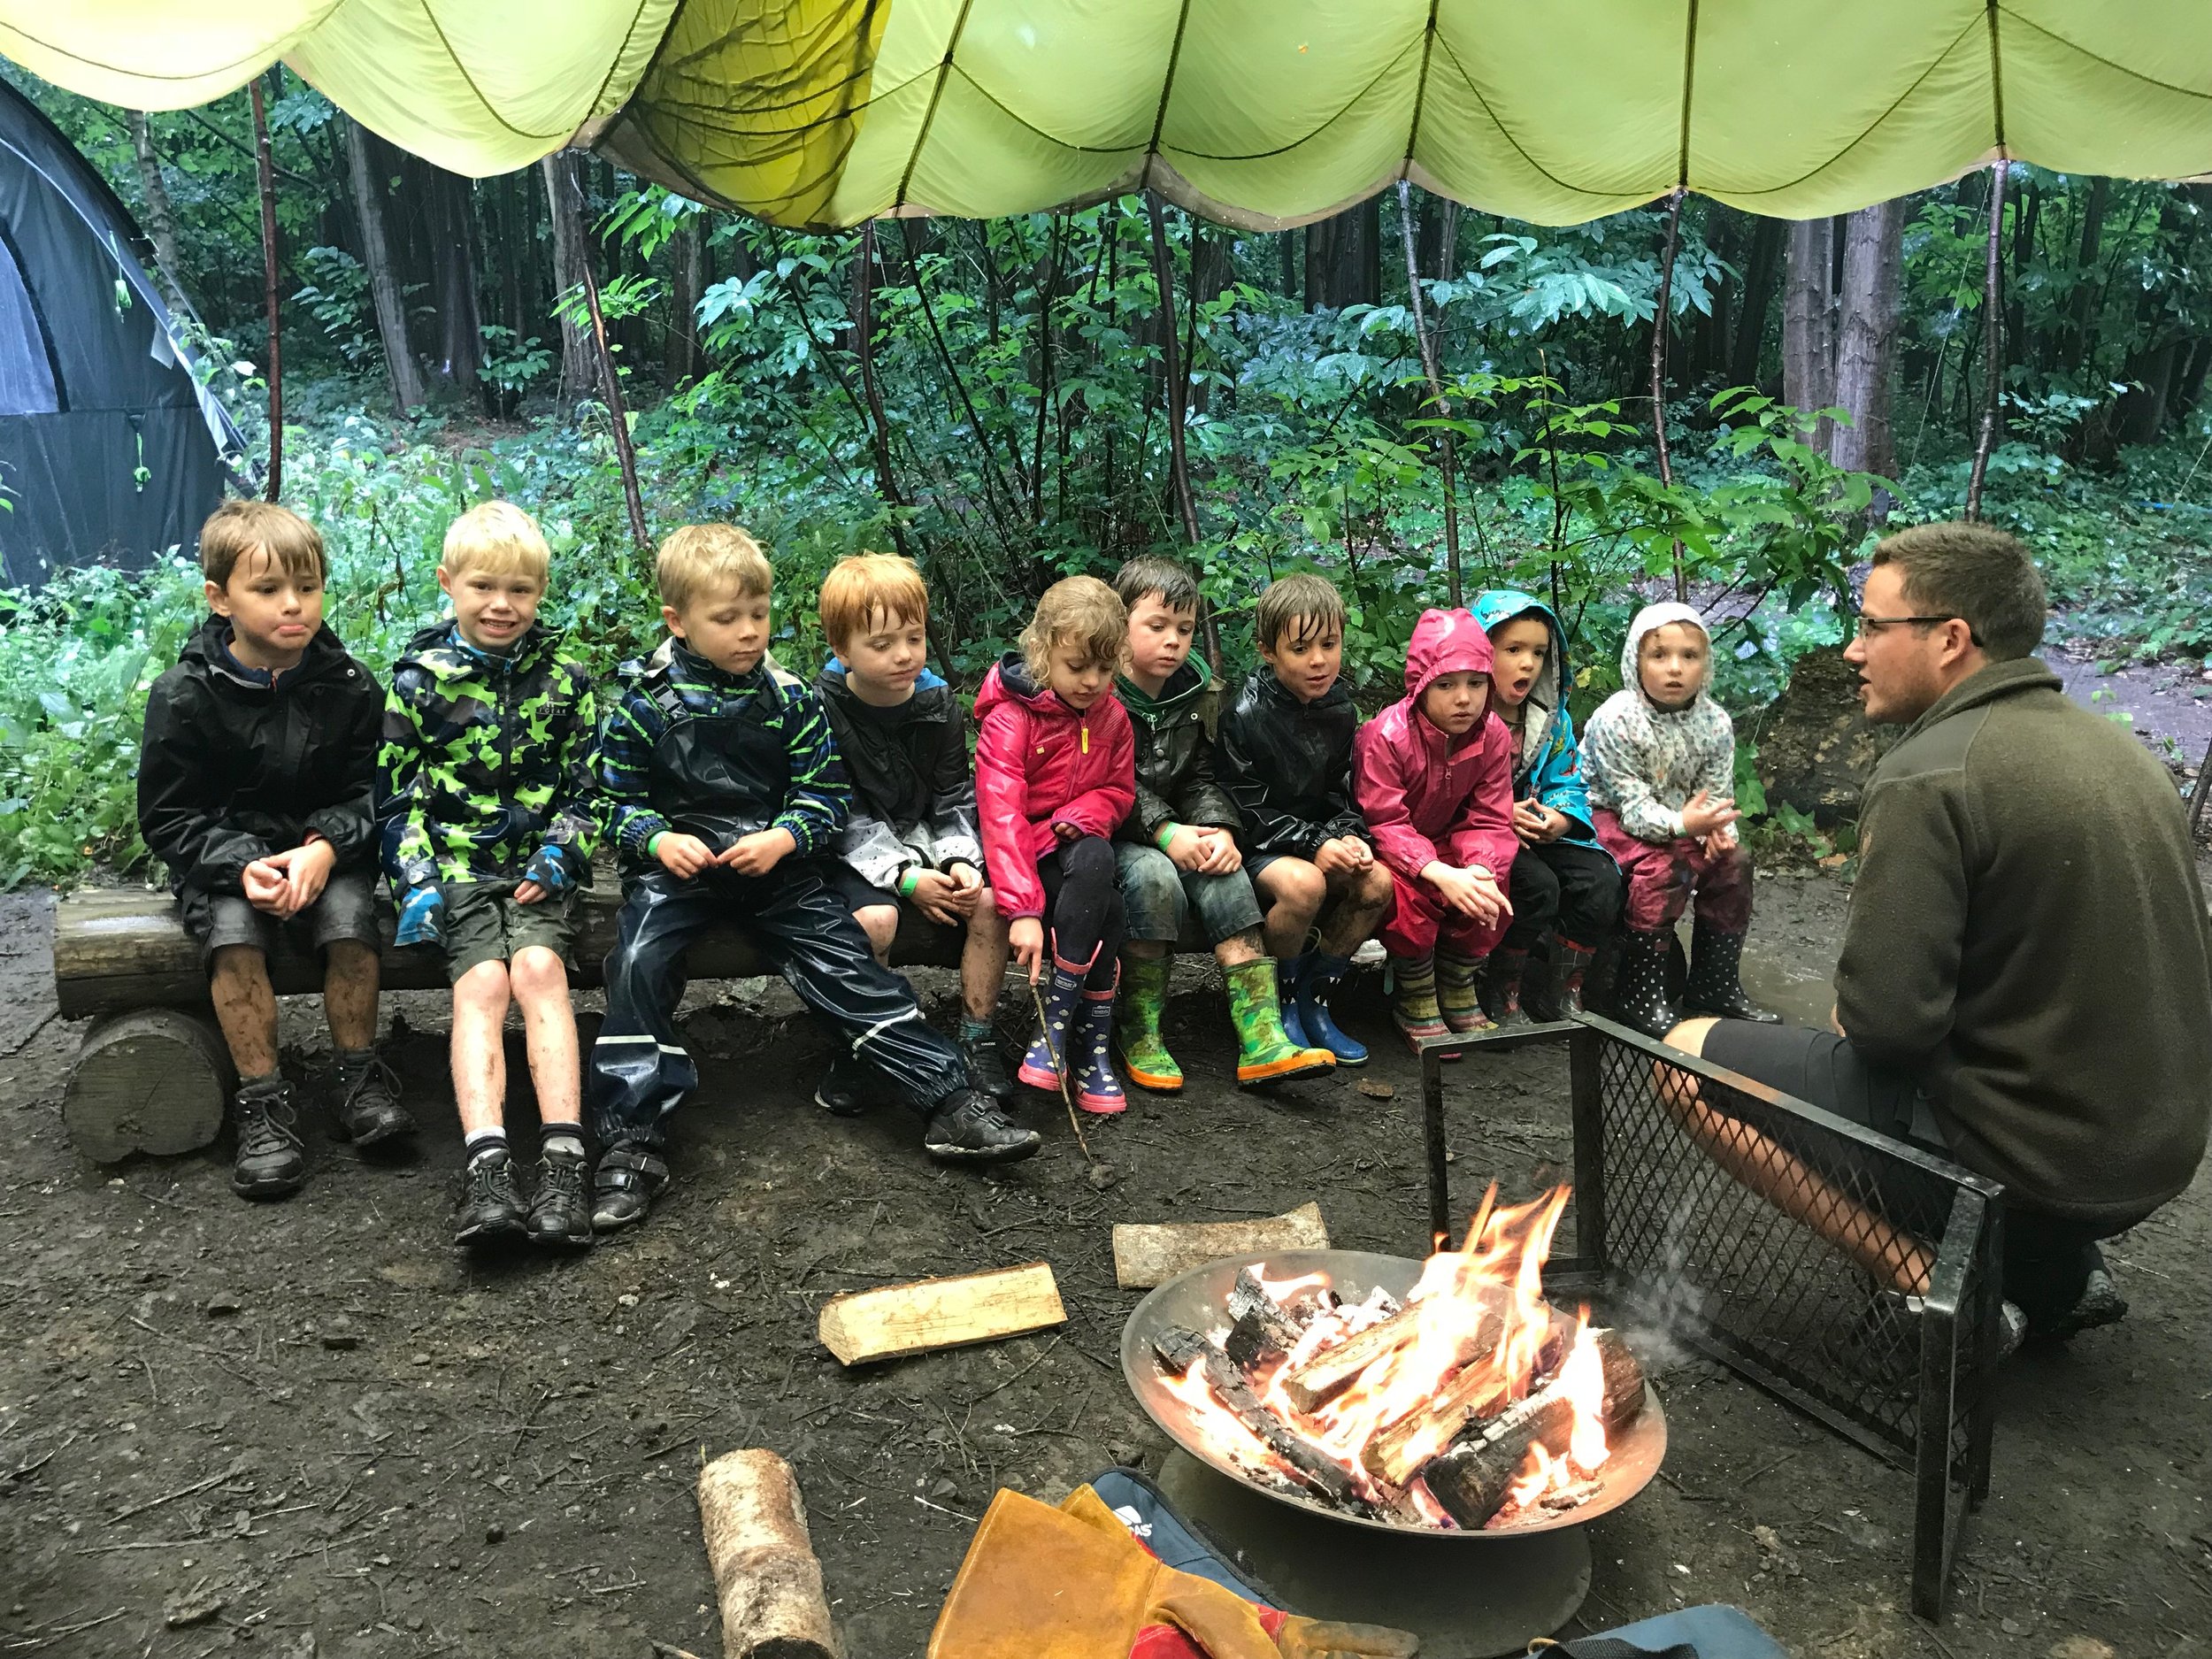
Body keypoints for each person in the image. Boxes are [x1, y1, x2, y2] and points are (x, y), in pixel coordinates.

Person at [1666, 523, 2212, 1339]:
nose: (1853, 651)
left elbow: (1888, 1027)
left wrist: (1862, 1016)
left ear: (1951, 639)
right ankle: (2059, 1268)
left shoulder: (1931, 772)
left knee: (1683, 1055)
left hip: (2038, 1158)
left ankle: (1940, 1290)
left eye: (1871, 627)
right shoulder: (2123, 753)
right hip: (2157, 1149)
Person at [585, 526, 1039, 1230]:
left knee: (846, 957)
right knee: (638, 963)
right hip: (680, 874)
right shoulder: (644, 705)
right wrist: (656, 836)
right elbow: (608, 800)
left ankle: (949, 1100)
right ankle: (630, 1141)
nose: (748, 634)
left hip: (777, 869)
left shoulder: (790, 699)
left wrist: (785, 835)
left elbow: (825, 798)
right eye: (726, 619)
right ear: (677, 621)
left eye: (759, 615)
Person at [137, 500, 409, 1202]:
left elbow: (374, 791)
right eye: (267, 590)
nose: (294, 605)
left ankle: (359, 1077)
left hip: (325, 854)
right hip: (227, 863)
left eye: (308, 587)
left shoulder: (350, 687)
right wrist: (239, 863)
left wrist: (326, 845)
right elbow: (169, 816)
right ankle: (263, 1099)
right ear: (220, 598)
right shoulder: (185, 695)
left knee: (354, 923)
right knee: (233, 938)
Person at [378, 503, 598, 1249]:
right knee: (481, 985)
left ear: (540, 593)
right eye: (482, 587)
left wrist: (561, 852)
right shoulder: (419, 680)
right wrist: (417, 883)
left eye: (520, 590)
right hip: (457, 869)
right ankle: (488, 1167)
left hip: (538, 870)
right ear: (449, 584)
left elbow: (589, 788)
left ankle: (566, 1160)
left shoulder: (566, 677)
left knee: (540, 970)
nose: (501, 605)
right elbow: (397, 797)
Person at [1108, 557, 1333, 1091]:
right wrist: (1165, 831)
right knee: (1154, 880)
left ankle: (1262, 1036)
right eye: (1156, 627)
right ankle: (1139, 1029)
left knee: (1226, 875)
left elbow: (1203, 775)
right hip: (1117, 833)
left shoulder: (1197, 695)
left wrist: (1220, 829)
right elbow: (1104, 780)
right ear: (1120, 626)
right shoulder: (1101, 691)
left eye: (1184, 630)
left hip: (1185, 829)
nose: (1173, 642)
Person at [811, 554, 1016, 1112]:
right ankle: (863, 1043)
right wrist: (904, 879)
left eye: (914, 637)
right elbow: (838, 810)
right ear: (841, 648)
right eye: (881, 645)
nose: (903, 655)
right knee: (874, 921)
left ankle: (977, 1037)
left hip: (926, 839)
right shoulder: (823, 708)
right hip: (852, 852)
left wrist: (959, 863)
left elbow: (954, 795)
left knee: (991, 903)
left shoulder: (938, 704)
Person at [1217, 573, 1395, 1065]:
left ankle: (1315, 998)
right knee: (1305, 886)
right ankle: (1280, 1000)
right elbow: (1244, 804)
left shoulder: (1341, 709)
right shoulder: (1244, 714)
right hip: (1258, 846)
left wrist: (1349, 835)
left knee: (1377, 882)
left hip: (1316, 840)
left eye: (1329, 644)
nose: (1318, 660)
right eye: (1300, 648)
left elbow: (1343, 791)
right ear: (1268, 651)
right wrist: (1313, 843)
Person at [975, 575, 1138, 1114]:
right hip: (1024, 857)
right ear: (1043, 652)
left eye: (1105, 668)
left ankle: (1061, 1029)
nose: (1092, 681)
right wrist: (1022, 910)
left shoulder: (1114, 718)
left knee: (1097, 857)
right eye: (1077, 667)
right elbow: (1000, 816)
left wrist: (1087, 811)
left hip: (1076, 850)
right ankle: (1080, 1041)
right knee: (1109, 909)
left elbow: (1118, 791)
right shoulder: (1011, 719)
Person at [1581, 602, 1775, 1036]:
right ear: (1636, 660)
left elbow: (1717, 794)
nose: (1675, 669)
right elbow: (1631, 807)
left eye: (1689, 656)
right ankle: (1640, 991)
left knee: (1735, 862)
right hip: (1609, 816)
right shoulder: (1617, 718)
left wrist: (1719, 833)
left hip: (1683, 818)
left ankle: (1713, 984)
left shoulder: (1715, 722)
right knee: (1661, 868)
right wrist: (1686, 826)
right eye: (1659, 655)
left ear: (1705, 664)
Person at [1353, 608, 1519, 1047]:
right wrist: (1437, 870)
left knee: (1492, 885)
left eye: (1476, 683)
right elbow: (1383, 819)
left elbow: (1490, 816)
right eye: (1446, 685)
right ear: (1421, 685)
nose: (1464, 699)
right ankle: (1418, 992)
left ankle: (1458, 982)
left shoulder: (1493, 735)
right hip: (1394, 847)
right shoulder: (1385, 735)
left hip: (1450, 843)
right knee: (1406, 897)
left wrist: (1480, 868)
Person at [1468, 589, 1623, 1024]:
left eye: (1538, 652)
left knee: (1601, 880)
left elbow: (1567, 779)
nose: (1528, 663)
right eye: (1512, 650)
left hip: (1537, 827)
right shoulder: (1461, 713)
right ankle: (1502, 983)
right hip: (1480, 829)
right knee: (1537, 886)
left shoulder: (1552, 719)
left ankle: (1560, 988)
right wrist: (1501, 813)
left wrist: (1560, 817)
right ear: (1481, 652)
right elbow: (1449, 790)